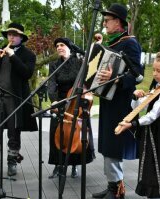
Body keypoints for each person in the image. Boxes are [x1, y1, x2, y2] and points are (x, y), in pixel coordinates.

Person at [92, 3, 143, 199]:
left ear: (119, 23)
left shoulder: (130, 43)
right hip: (108, 100)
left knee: (113, 144)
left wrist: (116, 79)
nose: (104, 23)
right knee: (107, 144)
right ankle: (112, 184)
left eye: (108, 20)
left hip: (120, 102)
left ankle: (117, 190)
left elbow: (137, 73)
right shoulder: (111, 43)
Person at [117, 52, 160, 198]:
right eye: (154, 70)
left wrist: (132, 124)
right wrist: (135, 96)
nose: (155, 73)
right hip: (151, 134)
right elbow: (140, 107)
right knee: (150, 168)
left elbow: (152, 115)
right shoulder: (157, 87)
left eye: (158, 71)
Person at [0, 22, 38, 177]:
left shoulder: (28, 55)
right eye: (9, 34)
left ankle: (12, 162)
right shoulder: (1, 52)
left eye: (15, 35)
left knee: (14, 131)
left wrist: (13, 56)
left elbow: (27, 73)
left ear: (21, 38)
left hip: (14, 99)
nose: (11, 37)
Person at [47, 37, 95, 179]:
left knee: (77, 134)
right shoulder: (55, 64)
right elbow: (51, 83)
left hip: (77, 101)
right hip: (61, 101)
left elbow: (87, 79)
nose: (59, 47)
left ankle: (75, 165)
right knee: (58, 133)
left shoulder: (79, 62)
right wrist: (54, 100)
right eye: (57, 46)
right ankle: (58, 165)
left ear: (69, 47)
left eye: (62, 45)